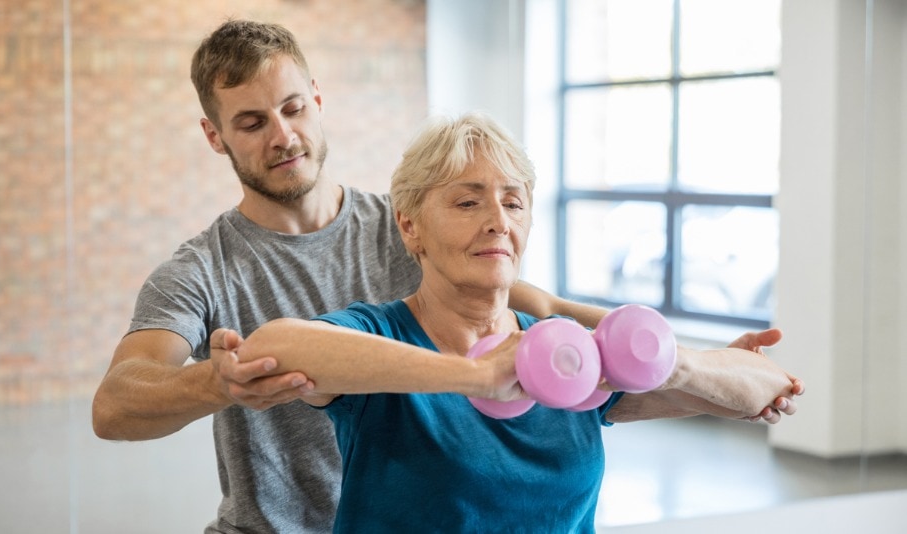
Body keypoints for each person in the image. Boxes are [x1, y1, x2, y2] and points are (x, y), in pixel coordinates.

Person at [91, 19, 801, 534]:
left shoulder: (417, 226)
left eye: (293, 107)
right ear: (216, 136)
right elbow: (118, 403)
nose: (282, 135)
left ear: (317, 100)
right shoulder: (202, 270)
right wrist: (214, 382)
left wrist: (680, 358)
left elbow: (539, 306)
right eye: (251, 122)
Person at [233, 111, 802, 532]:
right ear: (409, 227)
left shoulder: (567, 357)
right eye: (467, 202)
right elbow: (278, 346)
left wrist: (665, 362)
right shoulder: (383, 338)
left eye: (513, 201)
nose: (497, 221)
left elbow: (766, 387)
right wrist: (474, 377)